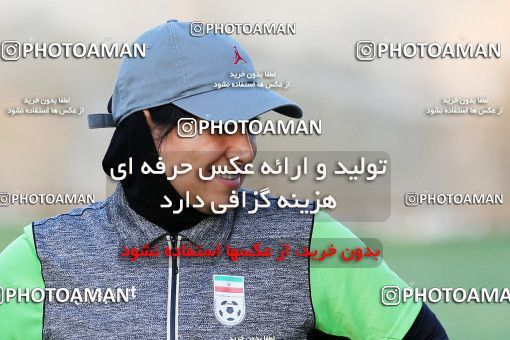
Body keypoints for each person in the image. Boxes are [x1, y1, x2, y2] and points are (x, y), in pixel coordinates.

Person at [0, 20, 448, 339]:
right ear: (147, 124)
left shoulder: (310, 241)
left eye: (249, 124)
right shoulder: (41, 259)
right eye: (220, 124)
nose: (245, 149)